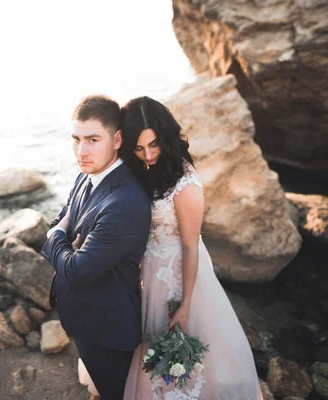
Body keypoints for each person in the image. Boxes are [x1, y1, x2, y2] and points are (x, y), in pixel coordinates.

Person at [79, 96, 263, 399]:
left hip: (177, 276)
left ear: (165, 136)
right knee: (141, 344)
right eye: (138, 148)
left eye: (153, 145)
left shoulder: (184, 182)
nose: (148, 154)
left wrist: (186, 304)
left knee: (180, 353)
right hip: (143, 271)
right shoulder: (137, 169)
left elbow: (191, 246)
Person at [40, 95, 151, 400]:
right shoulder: (85, 175)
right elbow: (62, 217)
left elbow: (76, 271)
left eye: (92, 139)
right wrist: (59, 231)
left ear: (117, 139)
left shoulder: (124, 203)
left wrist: (53, 237)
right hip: (83, 317)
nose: (81, 150)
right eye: (75, 139)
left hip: (107, 329)